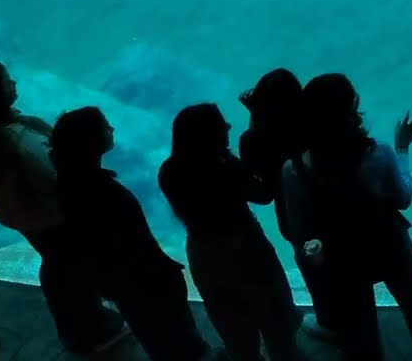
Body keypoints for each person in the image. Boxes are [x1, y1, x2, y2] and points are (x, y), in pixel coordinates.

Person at [281, 73, 412, 361]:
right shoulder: (378, 154)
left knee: (360, 330)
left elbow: (300, 229)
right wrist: (402, 148)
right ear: (352, 109)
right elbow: (403, 198)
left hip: (343, 260)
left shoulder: (294, 169)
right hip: (390, 246)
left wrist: (315, 254)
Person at [49, 106, 219, 361]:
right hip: (146, 282)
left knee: (153, 335)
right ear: (91, 140)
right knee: (176, 334)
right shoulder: (105, 193)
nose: (112, 129)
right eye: (106, 126)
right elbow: (134, 243)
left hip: (121, 284)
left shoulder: (67, 185)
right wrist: (167, 271)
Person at [0, 62, 130, 354]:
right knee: (70, 268)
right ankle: (87, 329)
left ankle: (81, 323)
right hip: (48, 217)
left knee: (60, 265)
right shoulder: (13, 142)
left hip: (28, 217)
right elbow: (54, 179)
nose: (14, 83)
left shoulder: (9, 128)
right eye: (7, 80)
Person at [158, 103, 306, 361]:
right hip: (247, 251)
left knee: (233, 326)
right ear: (210, 136)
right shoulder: (225, 167)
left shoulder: (169, 171)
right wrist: (254, 139)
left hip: (204, 254)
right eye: (221, 125)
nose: (228, 127)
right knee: (276, 320)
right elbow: (263, 194)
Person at [236, 68, 338, 342]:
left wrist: (254, 118)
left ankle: (329, 321)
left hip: (293, 217)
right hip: (330, 207)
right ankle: (349, 313)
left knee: (310, 263)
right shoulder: (314, 127)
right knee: (337, 259)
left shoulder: (253, 139)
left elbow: (262, 189)